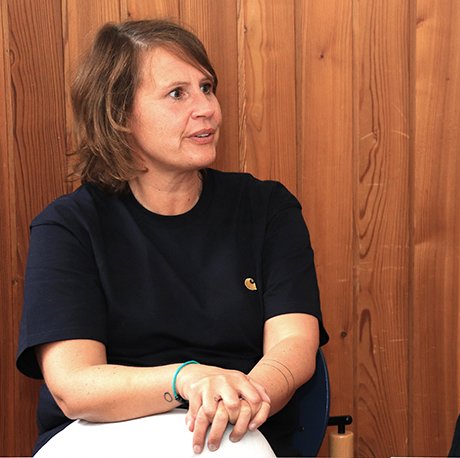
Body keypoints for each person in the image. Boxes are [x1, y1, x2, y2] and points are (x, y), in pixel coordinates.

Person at [15, 19, 328, 456]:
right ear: (119, 115)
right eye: (177, 94)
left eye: (206, 87)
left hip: (230, 432)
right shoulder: (69, 226)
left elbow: (295, 343)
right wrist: (187, 378)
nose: (206, 109)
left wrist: (247, 394)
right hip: (100, 434)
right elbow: (74, 386)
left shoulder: (266, 208)